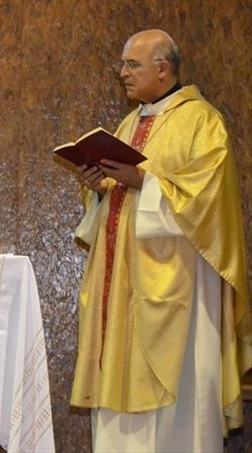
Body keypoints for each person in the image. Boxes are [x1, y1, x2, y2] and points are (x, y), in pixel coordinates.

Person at [67, 29, 252, 452]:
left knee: (177, 416)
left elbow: (208, 204)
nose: (123, 74)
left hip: (178, 292)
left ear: (163, 69)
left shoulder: (201, 122)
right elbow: (117, 204)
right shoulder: (129, 123)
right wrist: (99, 188)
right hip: (119, 290)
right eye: (122, 64)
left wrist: (141, 182)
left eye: (132, 64)